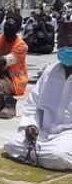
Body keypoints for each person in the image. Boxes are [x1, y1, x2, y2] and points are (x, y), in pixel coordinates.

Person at [4, 22, 72, 170]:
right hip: (43, 131)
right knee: (12, 145)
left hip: (68, 135)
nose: (65, 48)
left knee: (58, 155)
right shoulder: (50, 71)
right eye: (62, 44)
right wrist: (31, 125)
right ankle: (40, 155)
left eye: (69, 44)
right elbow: (32, 104)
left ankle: (39, 155)